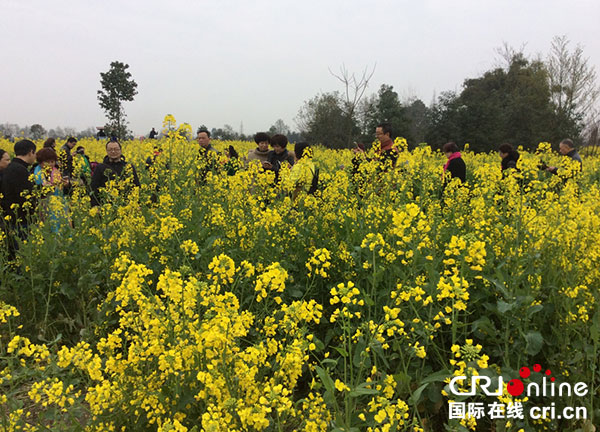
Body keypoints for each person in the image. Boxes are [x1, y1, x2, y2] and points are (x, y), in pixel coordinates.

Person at [1, 139, 37, 235]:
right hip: (21, 221)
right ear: (30, 152)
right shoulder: (20, 170)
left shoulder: (10, 167)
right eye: (35, 153)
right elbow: (26, 196)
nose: (35, 157)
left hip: (13, 219)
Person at [90, 140, 140, 206]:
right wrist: (95, 206)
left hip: (126, 206)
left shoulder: (128, 167)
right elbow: (94, 187)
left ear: (120, 150)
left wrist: (137, 204)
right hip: (106, 206)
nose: (113, 152)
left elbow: (136, 186)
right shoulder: (100, 167)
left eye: (116, 149)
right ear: (106, 151)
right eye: (110, 150)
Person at [33, 148, 69, 232]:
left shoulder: (55, 171)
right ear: (40, 162)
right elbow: (39, 187)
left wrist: (65, 184)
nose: (50, 164)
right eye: (47, 162)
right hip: (45, 203)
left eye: (52, 162)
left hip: (58, 201)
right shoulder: (37, 172)